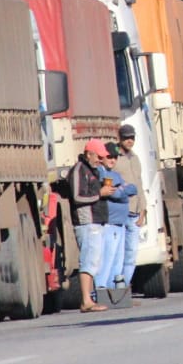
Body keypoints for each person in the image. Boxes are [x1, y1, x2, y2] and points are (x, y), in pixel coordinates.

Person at [68, 139, 115, 311]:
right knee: (88, 261)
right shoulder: (79, 170)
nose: (101, 160)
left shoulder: (94, 170)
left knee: (95, 261)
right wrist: (100, 193)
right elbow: (77, 197)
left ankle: (90, 299)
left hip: (97, 221)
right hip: (86, 222)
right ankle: (86, 301)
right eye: (98, 156)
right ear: (89, 154)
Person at [97, 142, 137, 292]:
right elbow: (116, 193)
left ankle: (114, 293)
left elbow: (133, 188)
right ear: (101, 157)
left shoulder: (115, 175)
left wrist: (122, 189)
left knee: (117, 262)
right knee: (107, 261)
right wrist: (122, 189)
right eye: (109, 157)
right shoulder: (102, 173)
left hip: (120, 223)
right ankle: (101, 291)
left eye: (115, 157)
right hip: (110, 223)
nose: (112, 160)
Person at [114, 123, 146, 287]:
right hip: (120, 212)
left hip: (134, 213)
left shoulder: (135, 158)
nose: (129, 140)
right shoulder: (114, 158)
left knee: (131, 253)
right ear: (119, 138)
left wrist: (143, 210)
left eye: (132, 137)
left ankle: (124, 288)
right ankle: (115, 288)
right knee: (117, 254)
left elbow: (139, 184)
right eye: (126, 137)